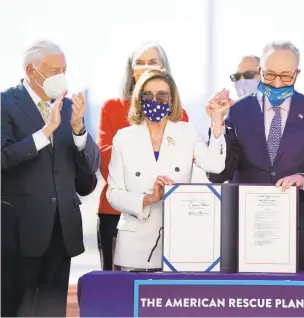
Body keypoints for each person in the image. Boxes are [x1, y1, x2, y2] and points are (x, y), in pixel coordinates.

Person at [207, 40, 304, 271]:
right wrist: (217, 125)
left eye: (286, 76)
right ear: (260, 72)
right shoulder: (238, 111)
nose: (277, 83)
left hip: (299, 232)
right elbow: (218, 174)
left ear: (297, 73)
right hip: (247, 232)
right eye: (269, 76)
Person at [1, 40, 100, 316]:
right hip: (19, 232)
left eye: (65, 70)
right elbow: (3, 158)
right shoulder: (5, 104)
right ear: (31, 71)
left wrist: (79, 130)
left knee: (52, 311)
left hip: (61, 231)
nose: (62, 77)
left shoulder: (70, 108)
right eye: (55, 70)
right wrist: (44, 133)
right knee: (16, 310)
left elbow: (89, 169)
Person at [106, 69, 227, 271]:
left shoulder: (187, 132)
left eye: (162, 95)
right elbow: (113, 194)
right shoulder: (123, 137)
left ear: (172, 99)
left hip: (179, 243)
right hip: (134, 249)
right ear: (139, 99)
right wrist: (148, 199)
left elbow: (215, 165)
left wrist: (216, 120)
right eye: (147, 95)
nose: (155, 100)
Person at [97, 41, 189, 271]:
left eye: (153, 62)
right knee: (116, 290)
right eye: (139, 63)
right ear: (131, 69)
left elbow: (185, 161)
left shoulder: (179, 114)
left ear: (164, 69)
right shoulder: (113, 107)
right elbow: (105, 159)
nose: (146, 67)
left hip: (166, 213)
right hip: (116, 212)